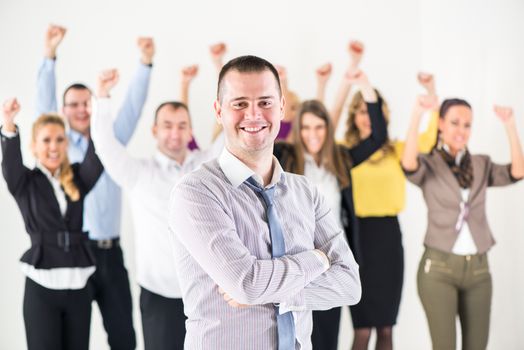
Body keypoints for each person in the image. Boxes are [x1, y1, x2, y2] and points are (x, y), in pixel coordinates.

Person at [168, 55, 362, 350]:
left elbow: (350, 286)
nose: (254, 114)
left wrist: (278, 291)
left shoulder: (306, 193)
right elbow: (246, 284)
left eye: (265, 102)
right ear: (219, 112)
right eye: (240, 104)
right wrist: (319, 260)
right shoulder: (195, 192)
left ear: (282, 107)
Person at [35, 24, 154, 349]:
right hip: (74, 252)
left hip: (111, 254)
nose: (81, 109)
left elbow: (132, 108)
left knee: (124, 338)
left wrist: (145, 63)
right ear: (63, 111)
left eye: (86, 102)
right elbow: (43, 107)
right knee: (75, 341)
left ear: (94, 106)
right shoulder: (59, 147)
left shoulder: (109, 142)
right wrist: (49, 54)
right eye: (73, 104)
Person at [91, 67, 222, 350]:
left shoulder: (207, 165)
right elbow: (104, 144)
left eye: (181, 125)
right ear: (154, 130)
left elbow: (230, 136)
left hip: (206, 293)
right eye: (167, 125)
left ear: (190, 130)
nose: (175, 133)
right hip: (159, 293)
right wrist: (102, 95)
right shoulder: (139, 174)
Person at [329, 41, 439, 350]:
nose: (366, 116)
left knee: (387, 330)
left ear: (381, 115)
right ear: (354, 116)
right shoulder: (345, 154)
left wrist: (431, 92)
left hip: (389, 239)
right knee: (362, 330)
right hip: (357, 239)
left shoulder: (397, 151)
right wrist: (349, 72)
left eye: (371, 110)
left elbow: (429, 136)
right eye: (361, 110)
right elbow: (326, 122)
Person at [273, 67, 387, 350]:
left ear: (328, 128)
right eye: (306, 127)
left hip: (332, 260)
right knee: (295, 336)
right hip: (296, 260)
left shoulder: (340, 159)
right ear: (297, 130)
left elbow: (377, 138)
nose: (313, 134)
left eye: (319, 127)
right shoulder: (283, 157)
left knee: (327, 339)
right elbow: (269, 128)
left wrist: (365, 84)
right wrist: (280, 85)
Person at [401, 97, 524, 350]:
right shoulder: (430, 164)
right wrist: (416, 115)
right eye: (455, 123)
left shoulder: (481, 164)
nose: (461, 130)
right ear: (441, 125)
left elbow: (517, 172)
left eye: (467, 125)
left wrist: (511, 125)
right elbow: (408, 164)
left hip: (479, 270)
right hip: (438, 269)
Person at [1, 98, 103, 350]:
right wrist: (9, 122)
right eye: (46, 140)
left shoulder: (77, 177)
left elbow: (96, 156)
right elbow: (10, 162)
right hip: (42, 288)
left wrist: (97, 112)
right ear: (34, 146)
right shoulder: (25, 182)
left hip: (78, 287)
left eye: (59, 139)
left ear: (66, 144)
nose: (53, 146)